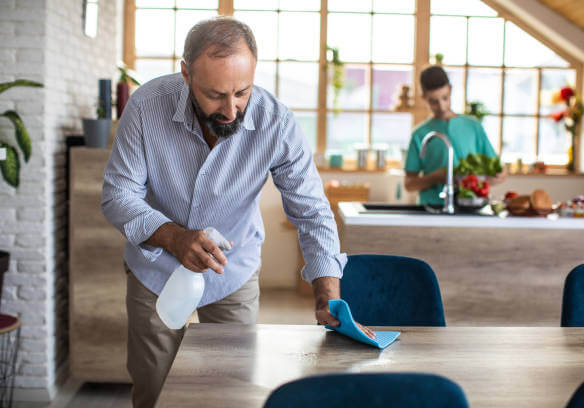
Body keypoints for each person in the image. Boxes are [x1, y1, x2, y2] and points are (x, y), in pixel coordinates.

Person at [101, 17, 374, 408]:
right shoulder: (147, 107)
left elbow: (312, 212)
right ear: (185, 74)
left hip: (232, 269)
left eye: (242, 92)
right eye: (214, 95)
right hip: (155, 267)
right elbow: (117, 194)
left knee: (233, 390)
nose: (231, 110)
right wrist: (175, 237)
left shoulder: (276, 122)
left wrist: (326, 294)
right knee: (154, 390)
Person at [404, 66, 505, 205]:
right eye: (433, 101)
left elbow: (499, 171)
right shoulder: (419, 134)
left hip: (469, 205)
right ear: (423, 98)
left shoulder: (473, 127)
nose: (441, 106)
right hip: (431, 207)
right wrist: (436, 177)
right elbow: (409, 184)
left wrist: (481, 180)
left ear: (450, 89)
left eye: (445, 98)